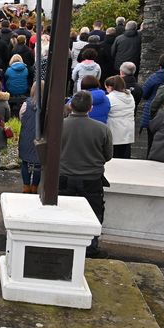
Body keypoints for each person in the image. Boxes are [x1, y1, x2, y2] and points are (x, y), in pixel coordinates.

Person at [60, 92, 113, 257]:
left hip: (64, 176)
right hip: (91, 177)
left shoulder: (58, 126)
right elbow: (108, 155)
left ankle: (63, 243)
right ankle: (90, 248)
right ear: (91, 108)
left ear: (70, 106)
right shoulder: (102, 129)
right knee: (94, 212)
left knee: (62, 211)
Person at [104, 75, 136, 158]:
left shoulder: (108, 98)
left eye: (106, 87)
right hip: (128, 130)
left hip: (114, 130)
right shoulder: (130, 96)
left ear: (110, 87)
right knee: (125, 155)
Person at [18, 83, 42, 193]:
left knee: (25, 162)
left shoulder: (26, 104)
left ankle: (26, 186)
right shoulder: (47, 105)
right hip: (41, 137)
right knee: (38, 163)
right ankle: (35, 187)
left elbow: (21, 117)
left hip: (26, 136)